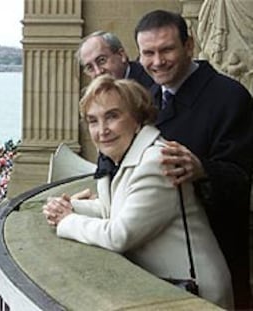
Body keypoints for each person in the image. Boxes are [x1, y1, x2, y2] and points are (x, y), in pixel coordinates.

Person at [43, 76, 233, 309]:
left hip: (196, 294)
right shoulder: (121, 157)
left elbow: (119, 235)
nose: (102, 130)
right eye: (93, 121)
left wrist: (68, 221)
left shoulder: (156, 162)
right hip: (168, 287)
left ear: (137, 119)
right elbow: (114, 210)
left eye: (112, 116)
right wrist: (70, 207)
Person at [134, 9, 253, 309]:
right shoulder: (145, 99)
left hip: (216, 252)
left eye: (166, 49)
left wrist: (202, 169)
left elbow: (242, 178)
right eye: (148, 53)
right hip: (156, 251)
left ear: (190, 46)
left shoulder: (231, 97)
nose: (157, 61)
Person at [76, 31, 153, 186]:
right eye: (90, 67)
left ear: (122, 55)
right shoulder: (102, 92)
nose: (98, 72)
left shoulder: (150, 86)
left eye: (102, 60)